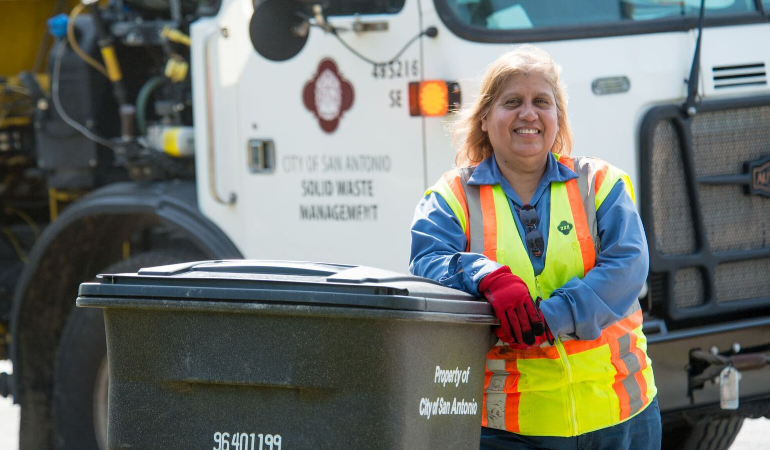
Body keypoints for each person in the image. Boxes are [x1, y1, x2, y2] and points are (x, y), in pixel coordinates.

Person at [409, 45, 661, 450]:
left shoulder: (600, 183)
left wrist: (552, 317)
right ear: (486, 119)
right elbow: (427, 261)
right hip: (511, 431)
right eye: (512, 102)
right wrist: (485, 275)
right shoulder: (450, 196)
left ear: (557, 117)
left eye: (541, 102)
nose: (528, 113)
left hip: (620, 419)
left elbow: (628, 266)